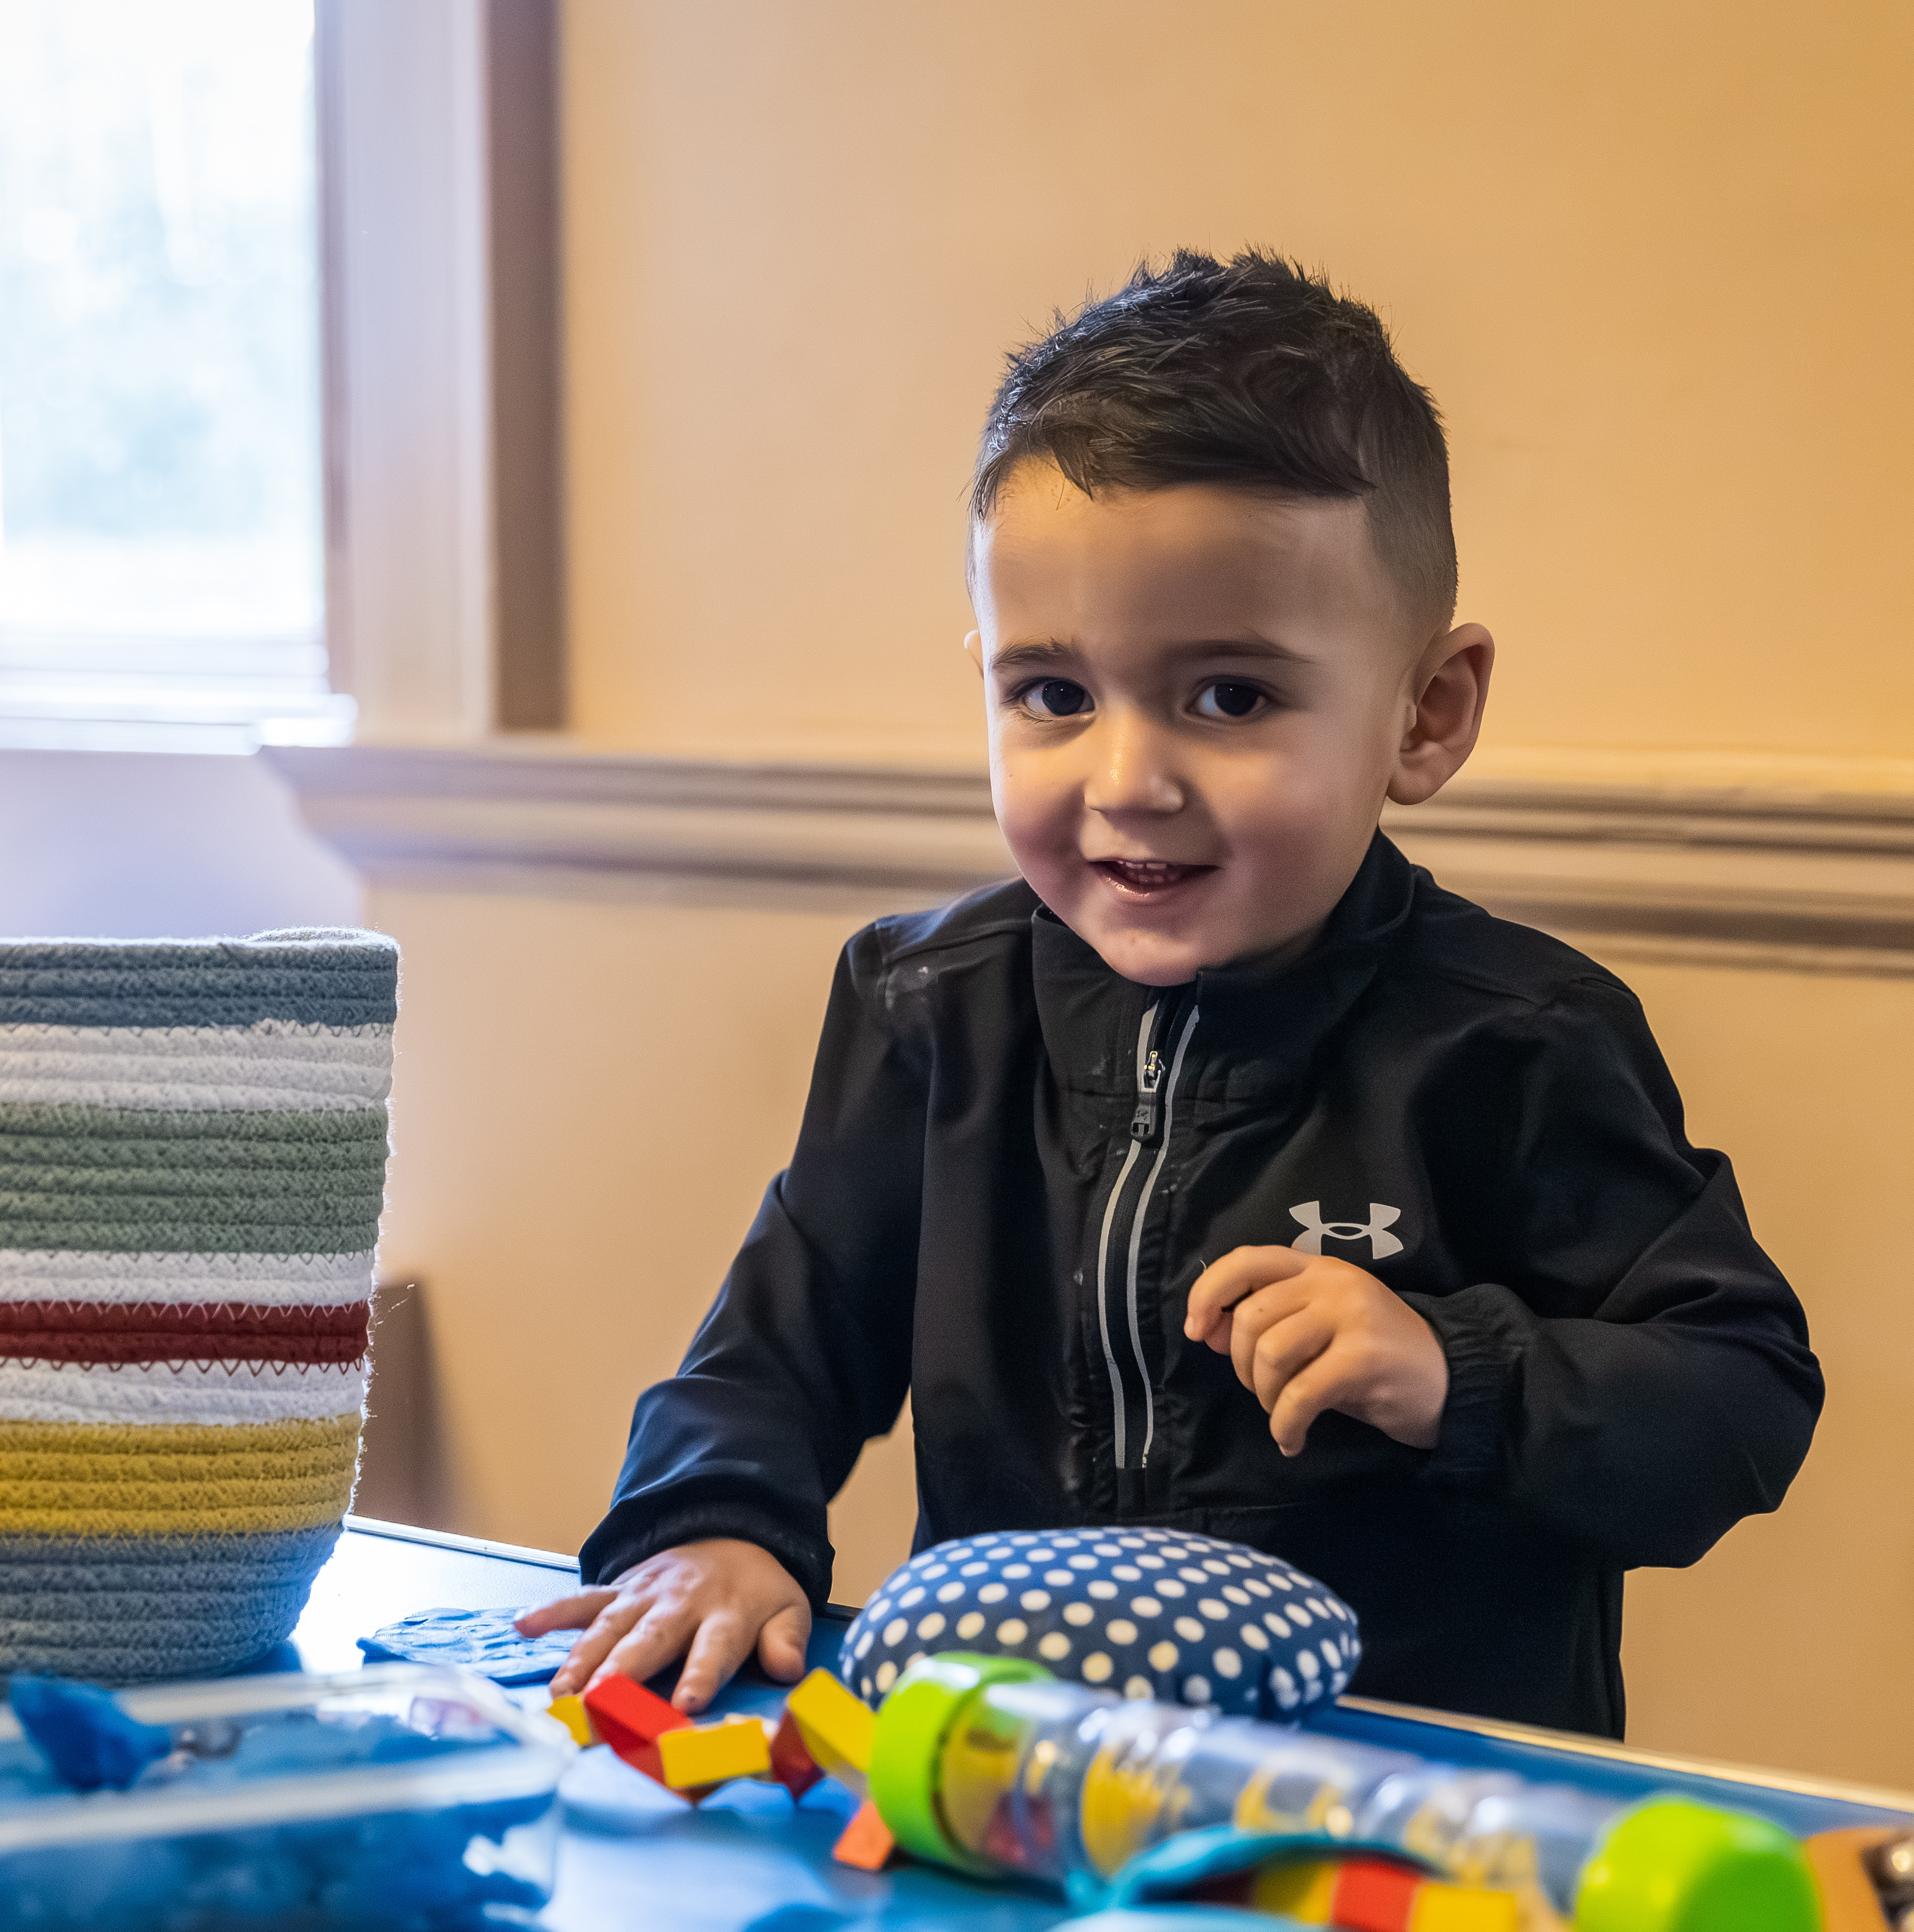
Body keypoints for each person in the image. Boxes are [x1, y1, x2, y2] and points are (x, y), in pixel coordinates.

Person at [525, 251, 1819, 1737]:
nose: (1128, 781)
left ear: (1426, 711)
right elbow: (774, 1348)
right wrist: (712, 1523)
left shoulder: (1517, 1041)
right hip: (1003, 1782)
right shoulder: (927, 1008)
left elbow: (1735, 1397)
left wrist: (1451, 1368)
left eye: (1231, 696)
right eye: (1052, 694)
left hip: (1393, 1811)